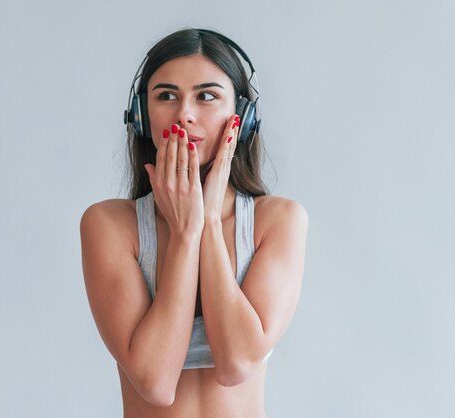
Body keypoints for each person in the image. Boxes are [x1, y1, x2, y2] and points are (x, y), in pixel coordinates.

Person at [80, 28, 308, 417]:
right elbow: (155, 381)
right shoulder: (109, 225)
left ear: (242, 118)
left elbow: (237, 363)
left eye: (206, 96)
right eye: (166, 96)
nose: (184, 113)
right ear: (140, 117)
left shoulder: (279, 221)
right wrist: (186, 232)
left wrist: (208, 223)